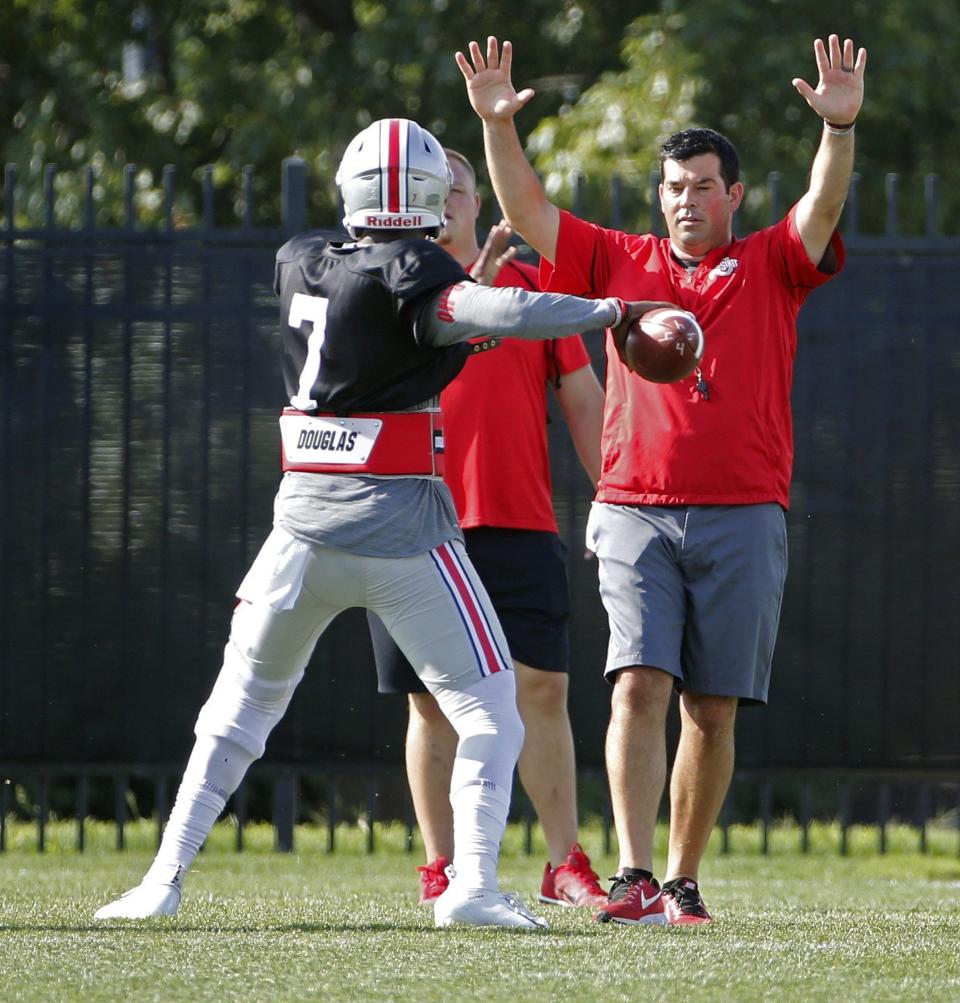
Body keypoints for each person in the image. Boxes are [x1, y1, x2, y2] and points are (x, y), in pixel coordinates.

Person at [91, 117, 667, 929]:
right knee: (490, 708)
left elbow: (397, 337)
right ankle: (468, 886)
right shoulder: (419, 268)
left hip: (299, 533)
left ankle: (162, 876)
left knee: (239, 708)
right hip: (401, 532)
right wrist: (610, 309)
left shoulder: (299, 258)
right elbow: (484, 312)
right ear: (433, 196)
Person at [456, 34, 866, 924]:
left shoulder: (769, 262)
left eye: (705, 186)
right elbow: (525, 209)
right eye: (675, 188)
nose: (688, 201)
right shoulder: (617, 258)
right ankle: (633, 874)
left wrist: (838, 130)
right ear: (661, 197)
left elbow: (822, 210)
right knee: (638, 682)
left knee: (713, 707)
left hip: (745, 511)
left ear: (734, 195)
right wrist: (497, 125)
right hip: (636, 508)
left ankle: (682, 877)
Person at [366, 148, 609, 909]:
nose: (446, 206)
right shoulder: (382, 291)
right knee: (431, 701)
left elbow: (581, 395)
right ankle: (441, 867)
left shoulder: (530, 289)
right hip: (412, 522)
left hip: (517, 520)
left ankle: (563, 862)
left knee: (541, 688)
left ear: (477, 202)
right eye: (431, 195)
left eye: (458, 192)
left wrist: (616, 492)